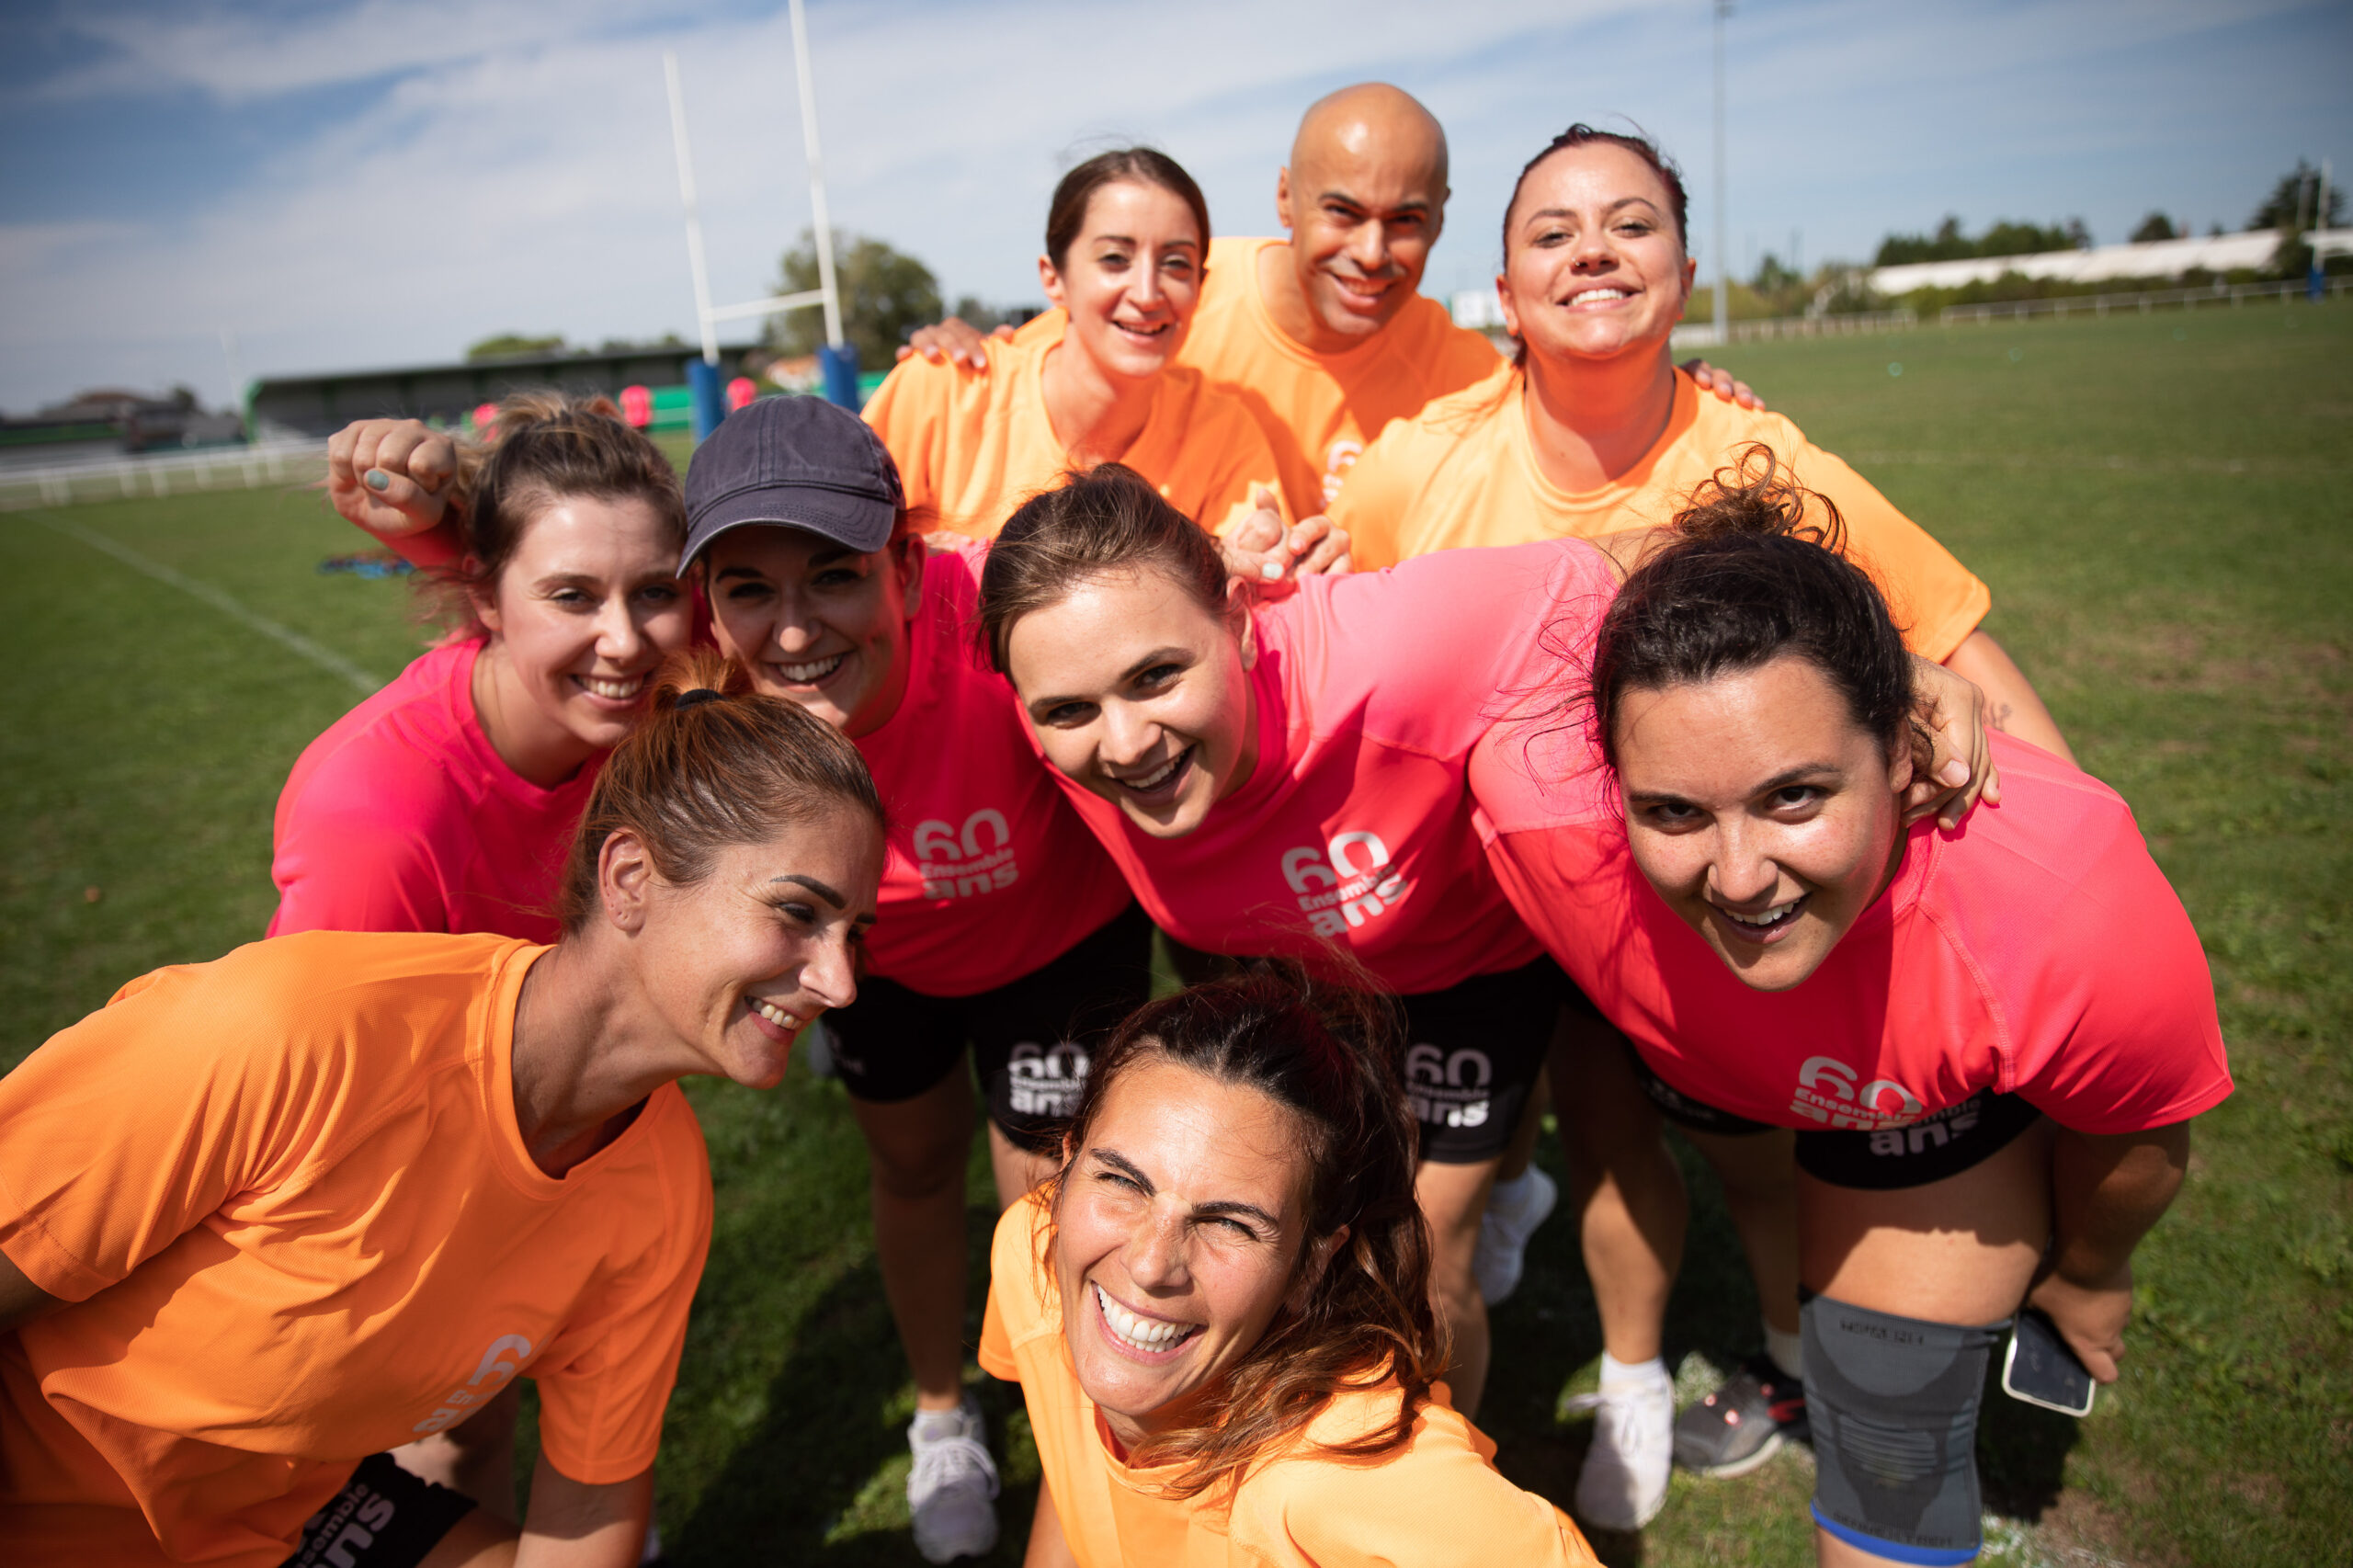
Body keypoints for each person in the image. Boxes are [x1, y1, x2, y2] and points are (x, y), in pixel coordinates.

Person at [1329, 122, 2074, 1523]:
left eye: (1631, 224)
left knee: (1695, 1146)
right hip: (1476, 902)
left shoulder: (1759, 455)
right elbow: (1347, 655)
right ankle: (1594, 1341)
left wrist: (2080, 851)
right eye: (1553, 231)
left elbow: (1961, 639)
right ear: (1501, 286)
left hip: (1689, 892)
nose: (1593, 251)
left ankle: (1682, 1369)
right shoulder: (1407, 468)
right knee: (1472, 1169)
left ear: (1683, 266)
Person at [970, 462, 1992, 1434]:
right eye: (1068, 709)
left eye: (1157, 675)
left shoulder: (1399, 640)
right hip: (1289, 979)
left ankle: (1428, 1488)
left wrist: (1883, 669)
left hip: (1468, 969)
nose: (1124, 741)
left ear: (1237, 619)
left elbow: (1667, 557)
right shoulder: (1036, 710)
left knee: (1418, 1251)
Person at [1469, 460, 2230, 1564]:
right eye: (1673, 809)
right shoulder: (1529, 792)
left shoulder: (2063, 900)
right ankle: (1775, 1349)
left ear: (1908, 748)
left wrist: (2089, 1270)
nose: (1737, 876)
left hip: (1910, 1111)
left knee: (1890, 1447)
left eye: (1795, 794)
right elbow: (1472, 612)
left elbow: (2138, 1125)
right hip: (1714, 1070)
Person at [0, 653, 886, 1568]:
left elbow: (591, 1496)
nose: (841, 981)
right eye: (796, 913)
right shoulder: (294, 1035)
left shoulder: (662, 1189)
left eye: (853, 934)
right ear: (629, 877)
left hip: (277, 1522)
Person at [676, 394, 1154, 1562]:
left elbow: (1157, 591)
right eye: (749, 589)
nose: (790, 631)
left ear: (907, 559)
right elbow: (526, 636)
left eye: (833, 575)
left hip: (1057, 939)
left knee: (1053, 1196)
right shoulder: (696, 679)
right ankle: (943, 1415)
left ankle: (1093, 1447)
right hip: (882, 961)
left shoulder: (1007, 609)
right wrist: (439, 532)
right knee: (913, 1165)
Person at [904, 85, 1758, 525]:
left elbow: (1578, 395)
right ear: (1286, 197)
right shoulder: (1186, 289)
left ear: (1442, 218)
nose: (1372, 254)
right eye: (1343, 212)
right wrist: (954, 351)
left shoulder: (1463, 369)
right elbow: (1043, 357)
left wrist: (1676, 380)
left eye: (1407, 222)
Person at [983, 963, 1604, 1567]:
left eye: (1229, 1222)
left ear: (1311, 1264)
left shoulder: (1336, 1478)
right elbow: (1074, 1467)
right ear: (1067, 1169)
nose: (1148, 1265)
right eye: (1121, 1179)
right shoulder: (1031, 1260)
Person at [275, 394, 695, 941]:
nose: (624, 643)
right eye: (572, 596)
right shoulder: (379, 818)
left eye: (655, 591)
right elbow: (321, 1026)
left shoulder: (682, 669)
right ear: (485, 596)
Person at [864, 147, 1291, 544]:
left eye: (1176, 264)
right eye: (1114, 259)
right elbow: (830, 555)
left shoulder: (1221, 431)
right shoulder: (942, 388)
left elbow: (1256, 591)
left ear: (1201, 286)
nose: (1146, 293)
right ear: (1054, 279)